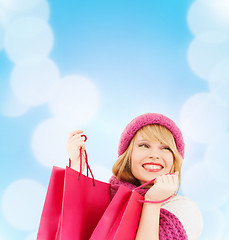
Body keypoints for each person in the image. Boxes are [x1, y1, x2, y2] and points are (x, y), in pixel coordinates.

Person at [66, 113, 203, 240]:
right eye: (144, 145)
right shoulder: (107, 198)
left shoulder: (184, 209)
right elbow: (72, 228)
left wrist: (152, 202)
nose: (155, 155)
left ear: (174, 159)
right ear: (128, 154)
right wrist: (76, 169)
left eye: (166, 148)